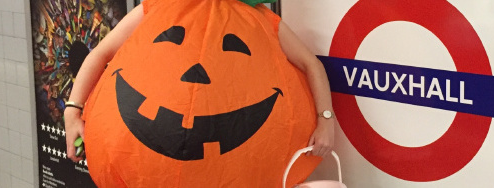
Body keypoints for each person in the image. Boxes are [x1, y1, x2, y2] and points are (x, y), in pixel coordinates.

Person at [63, 0, 337, 186]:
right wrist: (72, 111)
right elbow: (100, 54)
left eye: (233, 47)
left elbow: (310, 64)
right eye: (172, 37)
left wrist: (325, 119)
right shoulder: (157, 7)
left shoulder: (262, 20)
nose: (196, 75)